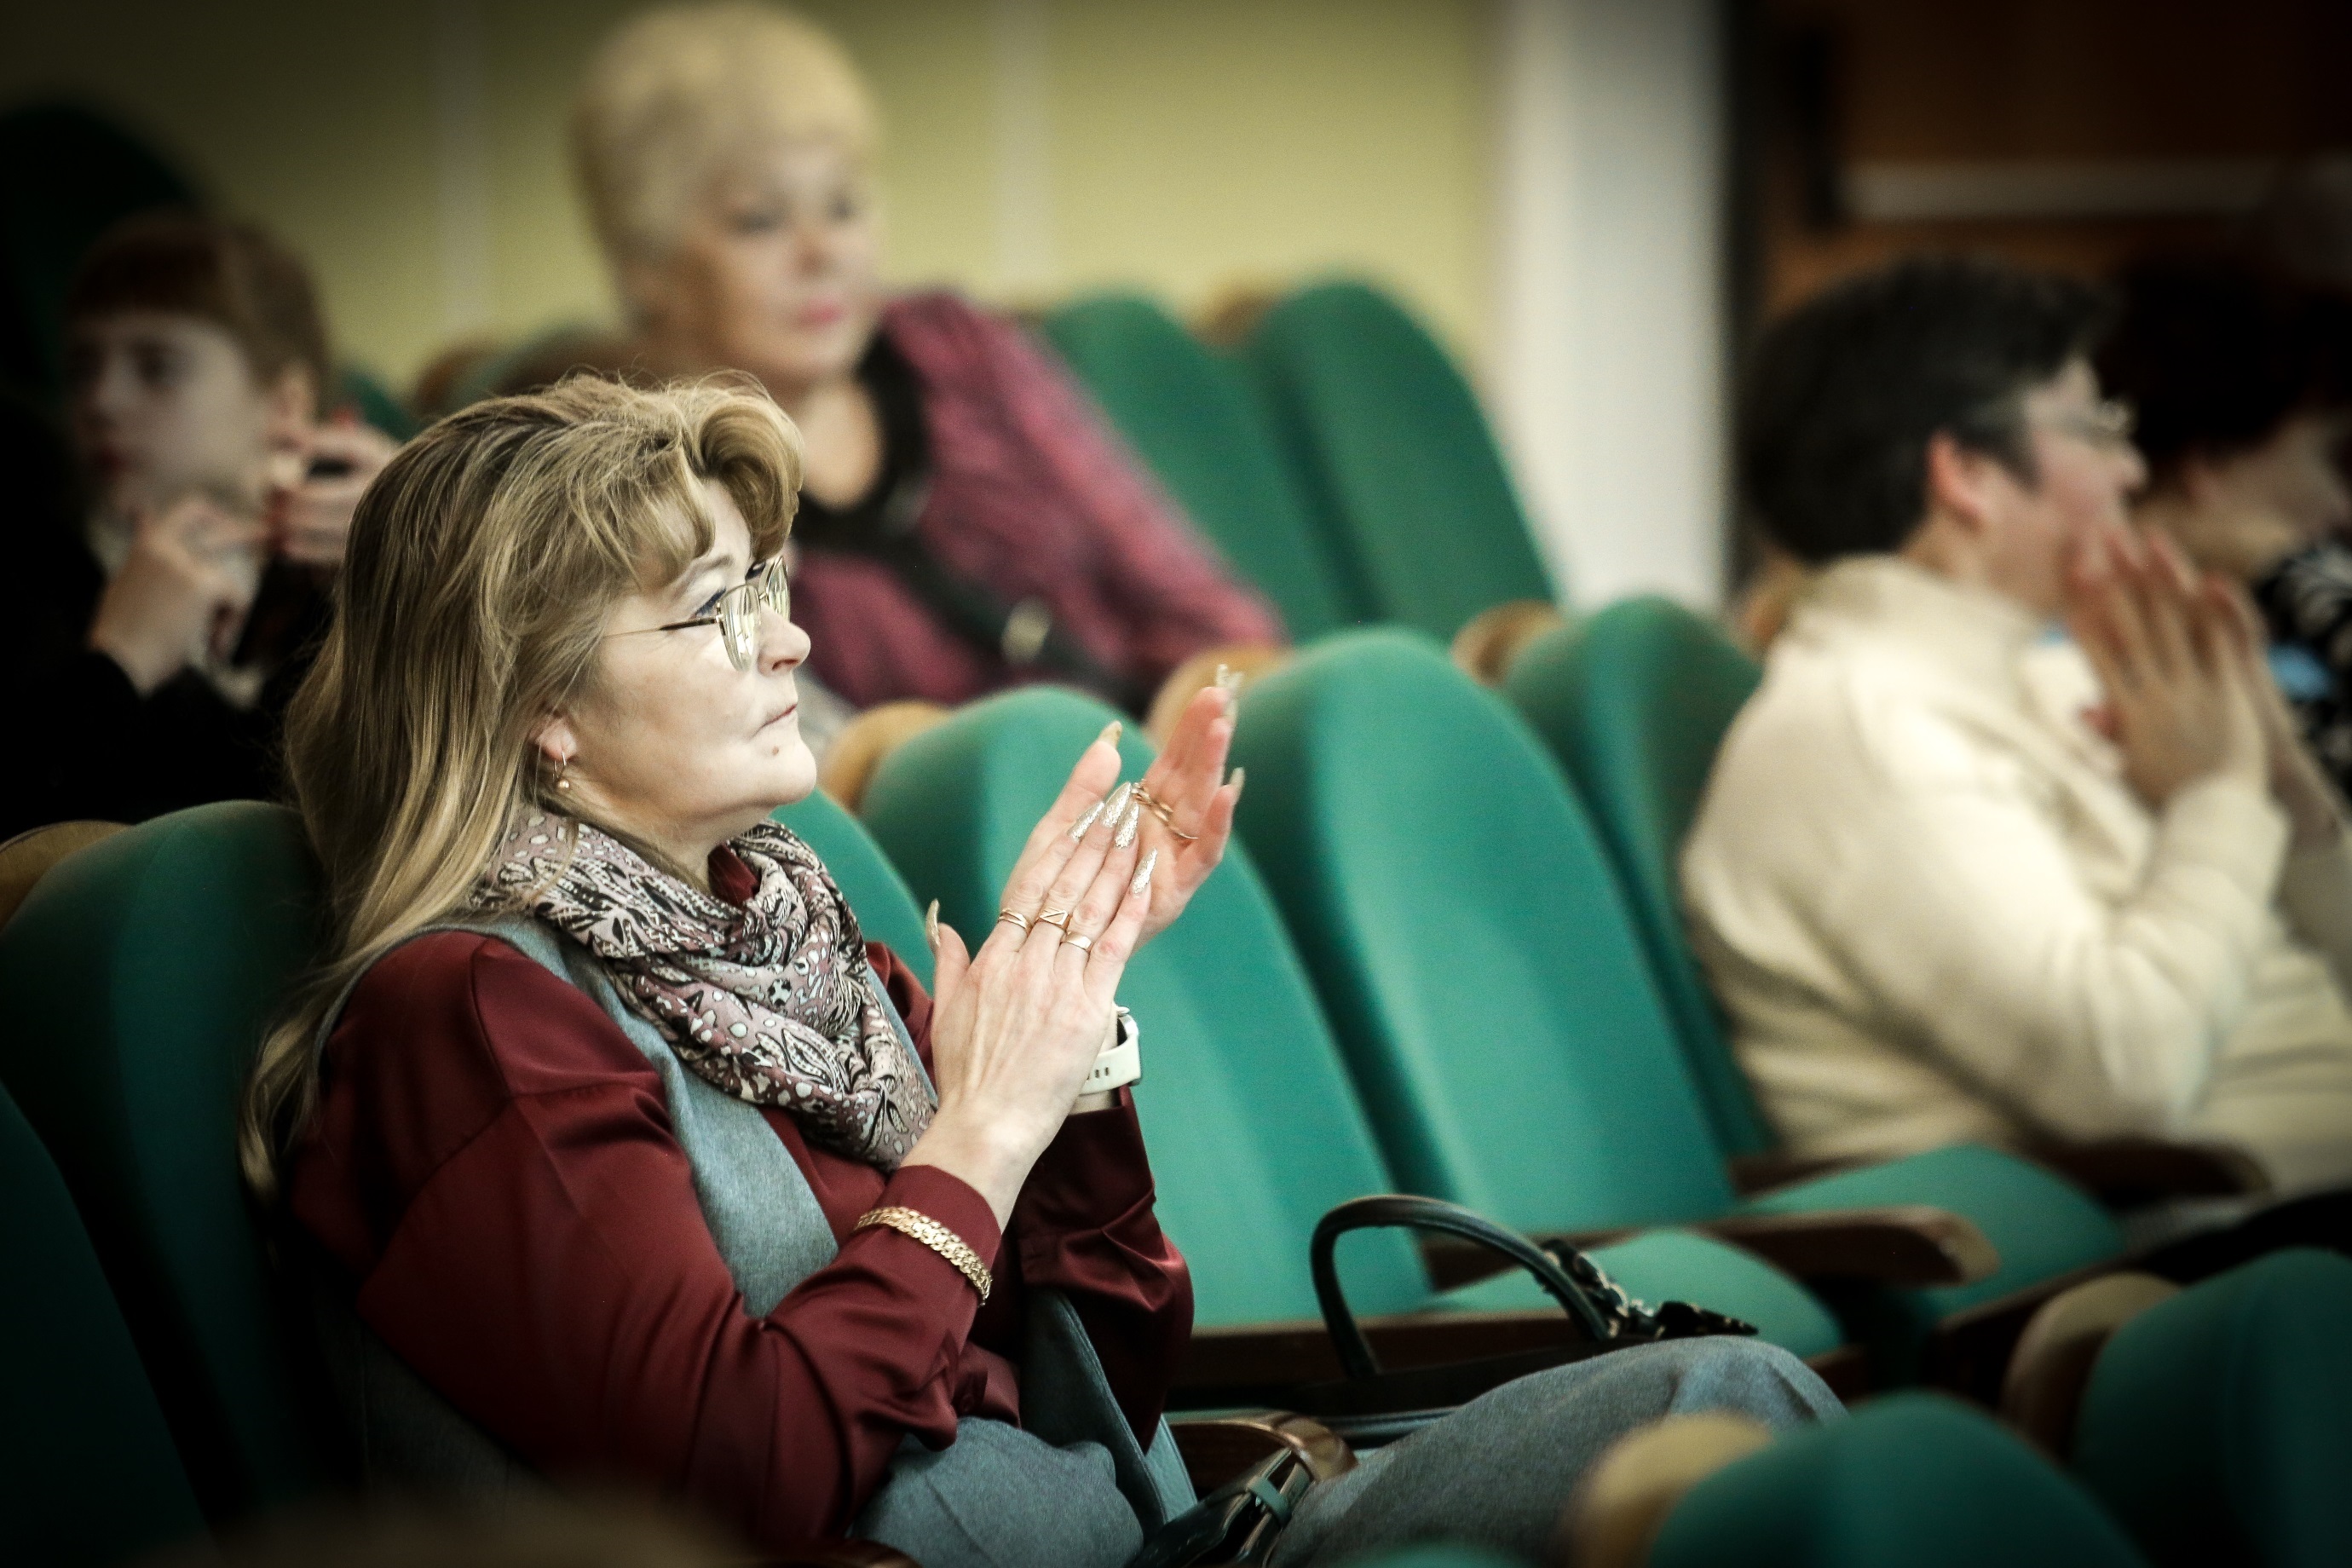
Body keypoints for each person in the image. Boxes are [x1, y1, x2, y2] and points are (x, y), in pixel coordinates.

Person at [239, 375, 1836, 1567]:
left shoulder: (796, 937)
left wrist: (1070, 1053)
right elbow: (738, 1483)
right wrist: (981, 1137)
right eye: (715, 612)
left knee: (1725, 1401)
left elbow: (1115, 1376)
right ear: (539, 708)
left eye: (770, 591)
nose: (791, 643)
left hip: (1152, 1538)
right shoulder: (468, 1017)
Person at [1683, 255, 2352, 1198]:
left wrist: (2283, 788)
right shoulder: (1860, 733)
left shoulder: (2038, 679)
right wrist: (2219, 797)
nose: (2130, 468)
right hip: (2206, 1244)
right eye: (2094, 428)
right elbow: (2125, 1079)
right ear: (1966, 475)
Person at [567, 2, 1282, 715]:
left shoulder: (954, 348)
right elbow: (768, 747)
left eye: (843, 206)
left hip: (1147, 746)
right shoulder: (644, 482)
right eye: (761, 221)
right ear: (644, 264)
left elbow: (1197, 604)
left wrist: (1208, 709)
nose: (822, 253)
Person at [0, 213, 394, 839]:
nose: (100, 401)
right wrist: (118, 663)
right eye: (81, 368)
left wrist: (411, 561)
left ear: (286, 403)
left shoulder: (340, 584)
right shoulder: (34, 577)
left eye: (157, 367)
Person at [2096, 256, 2352, 792]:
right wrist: (2299, 570)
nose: (2343, 510)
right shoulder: (2103, 668)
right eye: (2339, 464)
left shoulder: (2294, 642)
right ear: (2212, 461)